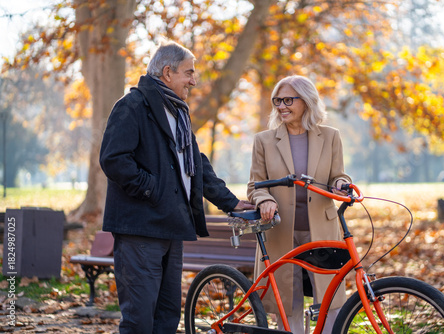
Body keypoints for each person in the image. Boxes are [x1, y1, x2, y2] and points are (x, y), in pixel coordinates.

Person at [99, 41, 253, 334]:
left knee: (167, 318)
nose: (194, 80)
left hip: (171, 227)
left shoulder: (178, 112)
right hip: (140, 230)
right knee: (139, 321)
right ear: (167, 73)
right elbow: (114, 159)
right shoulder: (132, 106)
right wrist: (153, 190)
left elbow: (196, 164)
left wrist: (230, 202)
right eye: (189, 73)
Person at [247, 75, 352, 333]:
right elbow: (255, 186)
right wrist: (266, 199)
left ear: (306, 101)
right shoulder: (264, 141)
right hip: (281, 231)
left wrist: (341, 183)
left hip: (322, 229)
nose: (281, 106)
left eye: (287, 100)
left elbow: (338, 174)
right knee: (288, 298)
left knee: (329, 298)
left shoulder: (330, 137)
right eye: (277, 100)